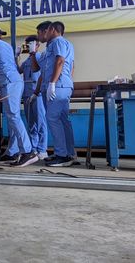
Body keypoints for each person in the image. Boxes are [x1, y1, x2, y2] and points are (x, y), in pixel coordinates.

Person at [0, 31, 37, 167]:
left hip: (10, 82)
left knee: (13, 117)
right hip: (14, 81)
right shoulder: (5, 45)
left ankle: (28, 152)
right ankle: (15, 152)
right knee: (12, 117)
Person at [34, 21, 76, 167]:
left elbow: (60, 61)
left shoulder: (58, 41)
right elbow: (71, 66)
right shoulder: (62, 44)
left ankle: (62, 155)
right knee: (63, 120)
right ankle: (69, 153)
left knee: (52, 118)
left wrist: (53, 83)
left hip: (57, 86)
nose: (40, 35)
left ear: (51, 29)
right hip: (61, 85)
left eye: (41, 32)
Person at [18, 34, 49, 161]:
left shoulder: (40, 57)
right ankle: (34, 148)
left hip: (38, 93)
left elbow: (40, 72)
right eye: (28, 44)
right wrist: (16, 56)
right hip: (27, 94)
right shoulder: (26, 61)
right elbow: (17, 70)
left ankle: (42, 149)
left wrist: (33, 53)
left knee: (41, 122)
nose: (29, 46)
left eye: (32, 43)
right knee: (31, 123)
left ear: (37, 45)